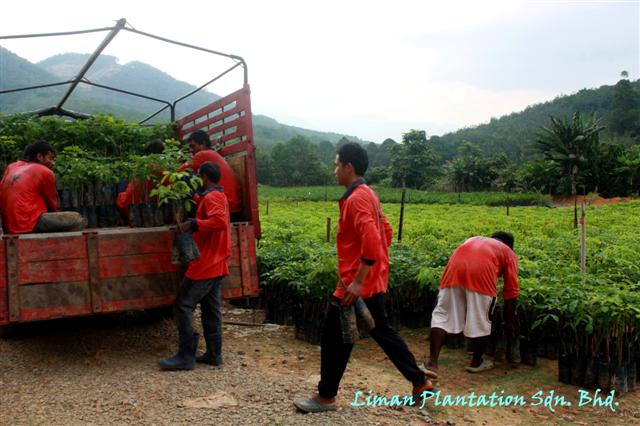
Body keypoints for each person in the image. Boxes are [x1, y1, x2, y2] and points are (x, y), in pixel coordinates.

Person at [294, 143, 434, 413]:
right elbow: (387, 232)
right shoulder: (368, 194)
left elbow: (372, 240)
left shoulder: (357, 198)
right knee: (380, 329)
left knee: (335, 336)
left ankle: (325, 397)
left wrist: (358, 280)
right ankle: (420, 381)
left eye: (337, 164)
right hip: (371, 279)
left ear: (349, 167)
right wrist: (374, 268)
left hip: (355, 284)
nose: (334, 170)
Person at [159, 161, 231, 371]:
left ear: (205, 177)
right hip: (217, 261)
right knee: (211, 309)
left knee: (183, 304)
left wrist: (194, 224)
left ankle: (185, 356)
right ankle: (214, 354)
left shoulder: (213, 197)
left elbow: (219, 221)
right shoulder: (216, 195)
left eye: (198, 176)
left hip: (206, 262)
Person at [424, 232, 519, 377]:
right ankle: (476, 361)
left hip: (453, 272)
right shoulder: (508, 252)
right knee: (482, 320)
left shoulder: (473, 239)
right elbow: (511, 291)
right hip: (481, 276)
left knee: (442, 315)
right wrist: (509, 322)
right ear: (510, 246)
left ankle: (432, 363)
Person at [0, 140, 84, 234]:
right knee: (78, 219)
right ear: (39, 156)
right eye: (50, 158)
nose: (53, 163)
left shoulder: (11, 167)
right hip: (27, 223)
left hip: (8, 226)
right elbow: (53, 205)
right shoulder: (44, 171)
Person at [178, 130, 242, 215]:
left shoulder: (202, 154)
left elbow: (177, 174)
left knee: (186, 178)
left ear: (203, 144)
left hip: (222, 207)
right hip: (233, 207)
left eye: (193, 146)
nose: (190, 150)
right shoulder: (213, 155)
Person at [116, 139, 165, 217]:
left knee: (122, 181)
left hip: (132, 208)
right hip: (158, 209)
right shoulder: (165, 168)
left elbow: (133, 189)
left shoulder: (143, 166)